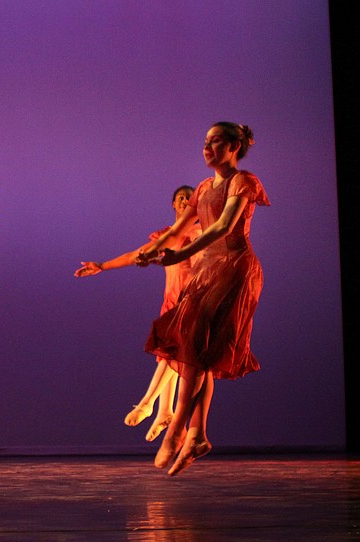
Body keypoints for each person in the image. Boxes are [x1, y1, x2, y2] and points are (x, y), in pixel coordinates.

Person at [136, 122, 270, 476]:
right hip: (206, 270)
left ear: (234, 146)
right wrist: (150, 251)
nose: (207, 146)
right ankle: (197, 434)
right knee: (196, 349)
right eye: (206, 141)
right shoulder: (203, 187)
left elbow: (222, 227)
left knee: (198, 344)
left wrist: (180, 257)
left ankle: (179, 427)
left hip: (234, 267)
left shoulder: (243, 181)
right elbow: (179, 229)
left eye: (216, 141)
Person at [75, 185, 202, 442]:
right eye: (181, 198)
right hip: (171, 299)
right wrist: (102, 266)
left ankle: (148, 402)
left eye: (190, 198)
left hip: (192, 299)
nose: (185, 200)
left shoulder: (201, 232)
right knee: (168, 354)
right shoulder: (167, 235)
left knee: (175, 353)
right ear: (173, 204)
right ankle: (166, 411)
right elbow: (137, 254)